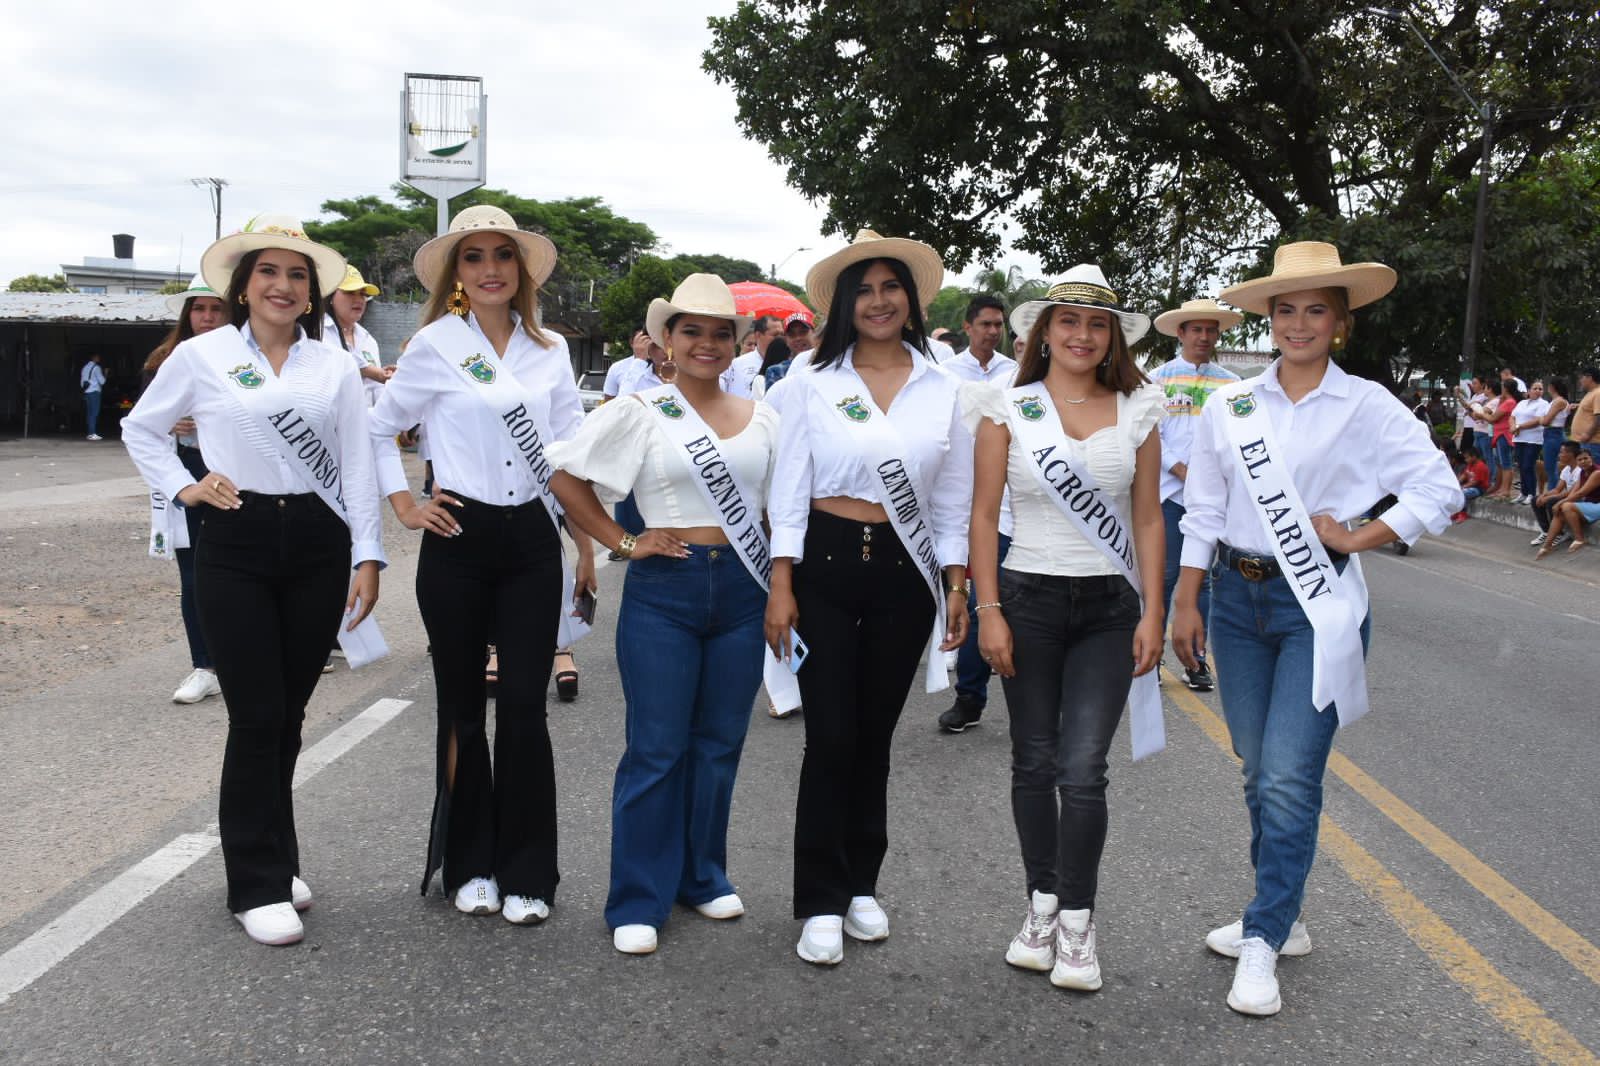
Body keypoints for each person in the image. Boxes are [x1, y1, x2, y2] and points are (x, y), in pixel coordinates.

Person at [1170, 241, 1461, 1016]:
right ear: (1269, 319)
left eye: (1316, 310)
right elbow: (1202, 506)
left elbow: (1440, 486)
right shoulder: (1229, 405)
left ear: (1340, 323)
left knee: (1288, 776)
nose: (1299, 324)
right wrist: (1185, 598)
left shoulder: (1367, 405)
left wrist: (1360, 535)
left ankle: (1263, 936)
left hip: (1316, 606)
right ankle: (1284, 913)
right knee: (1256, 766)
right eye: (1285, 309)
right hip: (1234, 600)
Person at [122, 214, 384, 946]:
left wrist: (368, 555)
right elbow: (141, 429)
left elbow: (359, 466)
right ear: (243, 287)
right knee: (256, 714)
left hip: (316, 542)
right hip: (233, 540)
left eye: (298, 275)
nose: (283, 285)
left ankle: (276, 855)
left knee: (291, 712)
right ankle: (254, 883)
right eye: (268, 272)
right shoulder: (202, 356)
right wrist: (186, 488)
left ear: (312, 294)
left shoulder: (331, 364)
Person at [367, 204, 592, 926]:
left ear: (521, 270)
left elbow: (570, 454)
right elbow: (377, 427)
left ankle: (528, 871)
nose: (490, 268)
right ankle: (467, 864)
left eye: (503, 255)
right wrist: (404, 504)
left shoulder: (550, 348)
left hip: (530, 540)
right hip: (457, 540)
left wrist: (587, 545)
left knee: (524, 710)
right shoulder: (434, 344)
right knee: (464, 711)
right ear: (457, 272)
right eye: (474, 257)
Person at [550, 274, 779, 955]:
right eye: (691, 331)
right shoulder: (640, 409)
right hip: (665, 591)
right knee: (656, 748)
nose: (706, 343)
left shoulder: (763, 416)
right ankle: (637, 896)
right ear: (667, 343)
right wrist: (621, 541)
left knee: (718, 746)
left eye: (719, 332)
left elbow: (775, 506)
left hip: (744, 589)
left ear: (736, 343)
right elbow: (565, 476)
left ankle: (701, 877)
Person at [765, 229, 971, 966]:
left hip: (904, 573)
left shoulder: (944, 387)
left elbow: (950, 501)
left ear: (910, 300)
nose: (879, 300)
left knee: (875, 740)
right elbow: (787, 488)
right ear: (845, 303)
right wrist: (781, 582)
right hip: (821, 562)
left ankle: (860, 885)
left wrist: (956, 586)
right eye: (865, 289)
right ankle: (818, 896)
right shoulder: (810, 384)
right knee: (831, 737)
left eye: (891, 287)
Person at [965, 267, 1166, 993]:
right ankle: (1040, 904)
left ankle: (1078, 920)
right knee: (1034, 762)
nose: (1082, 336)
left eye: (1097, 325)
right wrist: (988, 610)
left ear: (1113, 336)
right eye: (1068, 322)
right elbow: (983, 514)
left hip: (1110, 606)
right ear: (1042, 332)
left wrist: (1155, 610)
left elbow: (1148, 516)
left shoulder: (1139, 407)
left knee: (1084, 769)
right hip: (1029, 598)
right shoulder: (1007, 408)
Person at [1148, 297, 1244, 692]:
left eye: (1210, 330)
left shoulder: (1233, 385)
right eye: (1196, 329)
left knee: (1201, 582)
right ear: (1181, 333)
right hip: (1170, 494)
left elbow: (1236, 440)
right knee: (1164, 578)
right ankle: (1150, 655)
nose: (1204, 337)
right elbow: (1149, 436)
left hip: (1213, 502)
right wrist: (1182, 471)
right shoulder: (1156, 380)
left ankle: (1196, 660)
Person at [142, 275, 229, 704]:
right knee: (193, 572)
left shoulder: (245, 356)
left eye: (216, 308)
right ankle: (205, 665)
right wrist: (171, 423)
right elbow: (142, 423)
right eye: (199, 309)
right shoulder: (165, 360)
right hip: (186, 472)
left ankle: (246, 656)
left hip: (238, 473)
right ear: (187, 313)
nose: (208, 318)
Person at [938, 294, 1016, 732]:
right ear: (968, 327)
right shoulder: (948, 375)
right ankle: (970, 697)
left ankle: (1032, 706)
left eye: (997, 325)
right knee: (981, 599)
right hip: (968, 501)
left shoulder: (1016, 374)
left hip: (1012, 504)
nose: (992, 331)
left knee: (1019, 609)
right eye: (985, 324)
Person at [325, 264, 391, 406]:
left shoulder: (368, 340)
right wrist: (373, 372)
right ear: (330, 296)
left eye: (363, 294)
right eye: (350, 292)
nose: (359, 299)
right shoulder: (316, 332)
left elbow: (377, 390)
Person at [1536, 447, 1600, 558]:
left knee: (1566, 506)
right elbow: (1574, 492)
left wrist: (1560, 502)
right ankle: (1547, 545)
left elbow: (1581, 494)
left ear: (1592, 458)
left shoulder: (1597, 473)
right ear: (1577, 461)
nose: (1583, 461)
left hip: (1597, 505)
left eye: (1586, 458)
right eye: (1580, 460)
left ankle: (1579, 538)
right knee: (1560, 512)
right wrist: (1560, 502)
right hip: (1591, 504)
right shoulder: (1583, 473)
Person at [1530, 440, 1584, 548]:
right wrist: (1544, 495)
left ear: (1571, 454)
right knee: (1535, 500)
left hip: (1578, 499)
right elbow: (1557, 489)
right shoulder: (1566, 469)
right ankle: (1546, 531)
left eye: (1561, 452)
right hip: (1567, 497)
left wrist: (1549, 498)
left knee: (1551, 502)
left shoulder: (1580, 470)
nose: (1559, 455)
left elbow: (1571, 493)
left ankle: (1559, 534)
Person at [721, 314, 780, 398]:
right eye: (775, 335)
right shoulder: (737, 364)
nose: (780, 339)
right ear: (758, 335)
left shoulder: (785, 364)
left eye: (782, 334)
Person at [1510, 381, 1548, 504]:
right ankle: (1523, 492)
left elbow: (1537, 420)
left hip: (1533, 440)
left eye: (1540, 389)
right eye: (1535, 388)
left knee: (1528, 466)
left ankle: (1531, 493)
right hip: (1519, 438)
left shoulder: (1543, 404)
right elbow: (1512, 416)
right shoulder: (1522, 403)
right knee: (1521, 466)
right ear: (1529, 390)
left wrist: (1518, 427)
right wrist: (1512, 427)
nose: (1538, 390)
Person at [603, 329, 653, 402]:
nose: (645, 344)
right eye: (641, 340)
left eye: (649, 340)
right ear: (631, 343)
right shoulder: (617, 368)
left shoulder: (664, 365)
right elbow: (609, 402)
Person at [1540, 378, 1572, 491]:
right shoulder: (1556, 401)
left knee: (1550, 468)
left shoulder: (1558, 401)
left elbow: (1546, 421)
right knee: (1552, 467)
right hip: (1552, 433)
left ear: (1552, 387)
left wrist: (1540, 420)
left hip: (1553, 433)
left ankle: (1552, 493)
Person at [1571, 366, 1600, 463]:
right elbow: (1591, 408)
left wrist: (1587, 435)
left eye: (1582, 378)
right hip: (1585, 442)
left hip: (1592, 443)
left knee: (1593, 473)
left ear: (1589, 377)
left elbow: (1598, 417)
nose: (1580, 381)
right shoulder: (1591, 393)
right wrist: (1579, 406)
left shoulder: (1598, 393)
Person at [81, 353, 106, 440]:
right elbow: (102, 381)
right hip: (94, 392)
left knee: (89, 413)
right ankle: (92, 433)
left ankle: (89, 432)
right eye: (98, 357)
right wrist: (106, 374)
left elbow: (82, 382)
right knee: (94, 413)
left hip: (87, 392)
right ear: (95, 358)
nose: (99, 359)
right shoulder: (96, 368)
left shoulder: (84, 368)